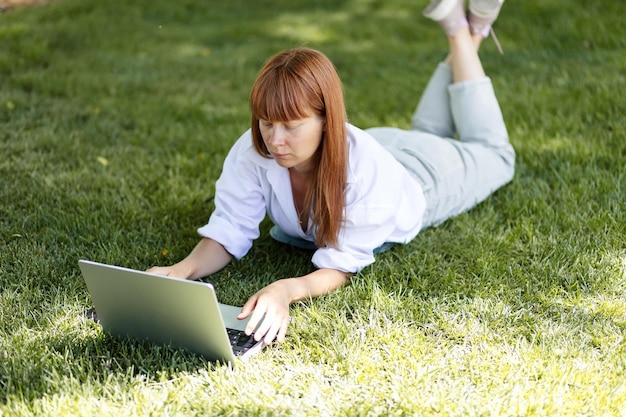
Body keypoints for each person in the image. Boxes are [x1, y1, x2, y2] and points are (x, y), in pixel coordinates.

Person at [148, 0, 515, 345]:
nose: (275, 140)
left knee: (496, 155)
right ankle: (467, 29)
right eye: (266, 123)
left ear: (328, 121)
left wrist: (286, 290)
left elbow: (341, 265)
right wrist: (184, 269)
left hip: (422, 173)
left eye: (291, 125)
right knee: (423, 128)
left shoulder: (366, 174)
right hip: (383, 147)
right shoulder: (253, 150)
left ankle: (461, 31)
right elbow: (230, 228)